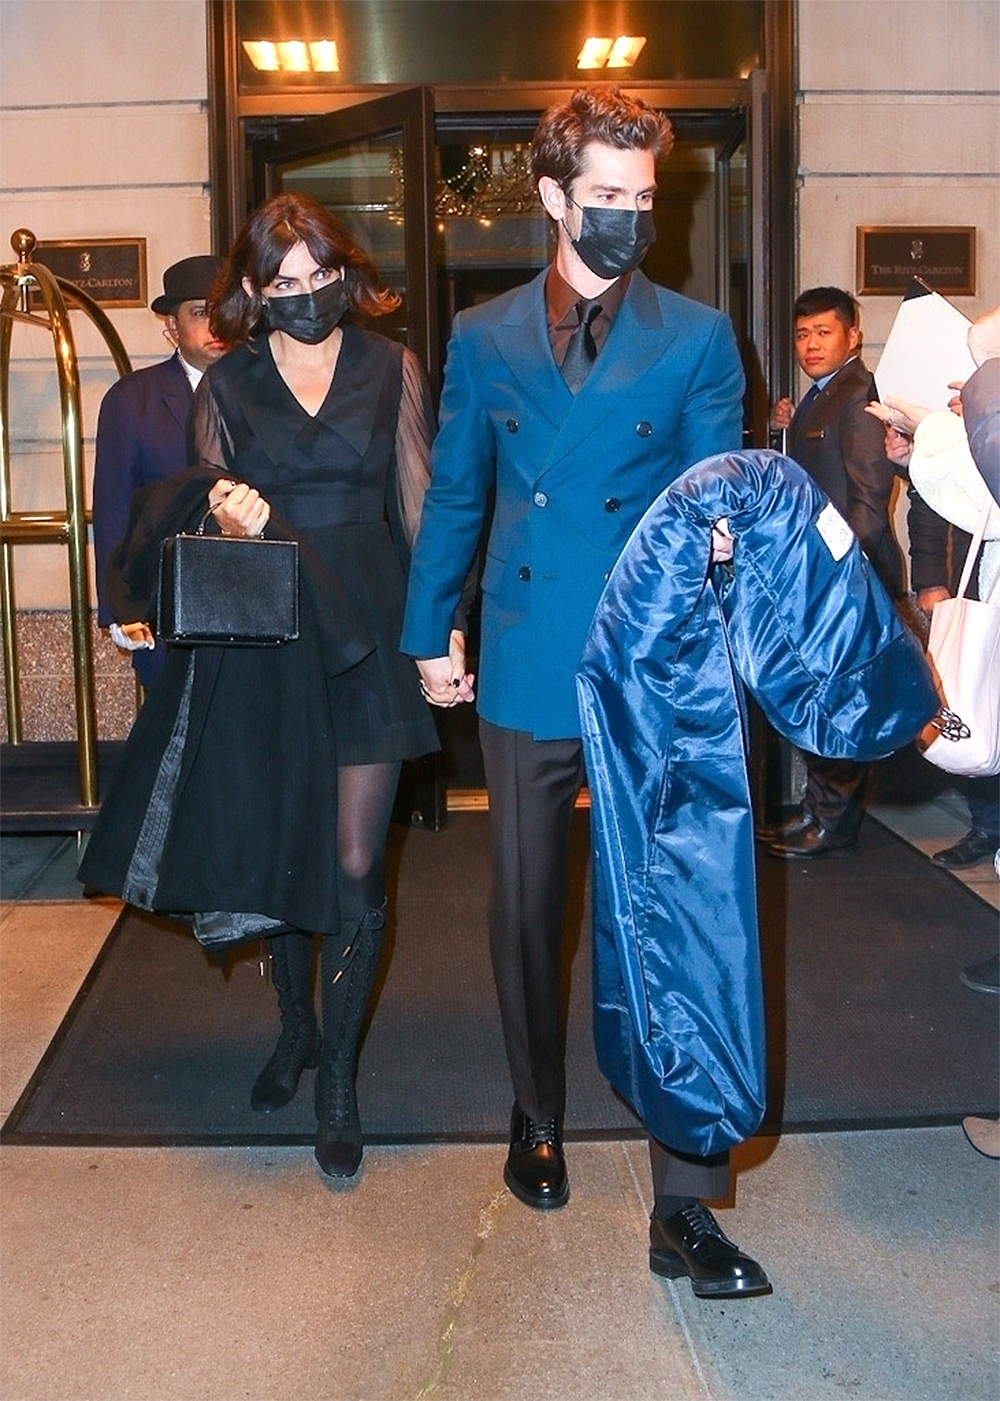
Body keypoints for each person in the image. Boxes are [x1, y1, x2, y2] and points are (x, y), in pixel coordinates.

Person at [402, 87, 769, 1298]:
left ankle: (685, 1198)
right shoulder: (486, 334)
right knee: (525, 909)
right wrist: (429, 632)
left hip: (653, 666)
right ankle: (535, 1111)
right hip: (519, 650)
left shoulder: (699, 337)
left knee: (672, 921)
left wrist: (725, 559)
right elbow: (458, 492)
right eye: (603, 197)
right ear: (554, 197)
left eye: (642, 200)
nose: (624, 218)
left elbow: (719, 494)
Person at [80, 192, 439, 1179]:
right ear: (250, 291)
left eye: (322, 277)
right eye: (285, 284)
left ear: (346, 272)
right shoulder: (229, 386)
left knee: (356, 859)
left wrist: (438, 636)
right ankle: (297, 1030)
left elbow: (418, 507)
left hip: (366, 633)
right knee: (288, 853)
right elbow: (194, 515)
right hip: (272, 637)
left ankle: (338, 1080)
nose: (309, 297)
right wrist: (228, 514)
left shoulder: (390, 366)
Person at [764, 286, 905, 858]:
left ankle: (832, 822)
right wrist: (785, 432)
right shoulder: (822, 396)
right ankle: (819, 812)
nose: (811, 344)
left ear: (853, 336)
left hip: (848, 578)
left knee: (839, 702)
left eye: (824, 332)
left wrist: (841, 576)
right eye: (802, 334)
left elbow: (868, 502)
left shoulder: (859, 396)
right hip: (821, 575)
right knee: (822, 698)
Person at [92, 255, 227, 687]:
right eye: (201, 313)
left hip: (253, 603)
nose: (216, 326)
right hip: (167, 609)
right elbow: (113, 509)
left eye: (225, 311)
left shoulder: (269, 393)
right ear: (171, 327)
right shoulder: (133, 400)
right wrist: (120, 611)